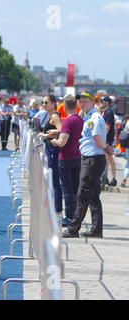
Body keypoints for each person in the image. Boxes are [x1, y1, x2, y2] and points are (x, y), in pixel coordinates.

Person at [63, 92, 108, 238]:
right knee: (93, 196)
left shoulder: (93, 118)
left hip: (93, 159)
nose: (82, 104)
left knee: (82, 194)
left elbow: (96, 138)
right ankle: (96, 229)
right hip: (92, 158)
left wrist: (106, 147)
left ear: (92, 103)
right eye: (80, 102)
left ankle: (73, 228)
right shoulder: (89, 117)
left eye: (85, 102)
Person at [50, 95, 84, 227]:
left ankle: (69, 216)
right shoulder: (80, 120)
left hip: (65, 158)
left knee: (67, 188)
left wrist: (54, 141)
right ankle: (76, 215)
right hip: (77, 156)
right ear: (76, 106)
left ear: (64, 106)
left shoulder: (68, 122)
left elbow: (62, 142)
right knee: (75, 188)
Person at [38, 94, 63, 216]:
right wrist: (44, 135)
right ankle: (54, 206)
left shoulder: (54, 116)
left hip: (54, 150)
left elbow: (63, 131)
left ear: (53, 104)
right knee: (51, 178)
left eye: (46, 102)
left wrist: (49, 135)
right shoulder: (49, 116)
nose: (43, 105)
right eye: (43, 102)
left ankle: (57, 209)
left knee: (54, 179)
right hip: (49, 149)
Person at [101, 96, 117, 187]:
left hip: (108, 140)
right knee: (106, 159)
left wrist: (102, 138)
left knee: (109, 158)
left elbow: (107, 127)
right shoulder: (105, 112)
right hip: (106, 139)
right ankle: (105, 177)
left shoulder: (109, 113)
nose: (100, 103)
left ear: (106, 103)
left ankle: (114, 179)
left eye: (102, 101)